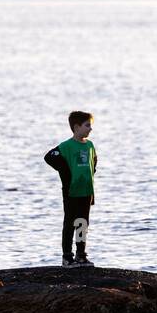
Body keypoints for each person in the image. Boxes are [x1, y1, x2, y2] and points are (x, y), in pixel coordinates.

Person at [44, 111, 97, 267]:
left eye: (90, 126)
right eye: (87, 126)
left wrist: (90, 173)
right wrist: (65, 171)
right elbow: (49, 157)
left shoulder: (90, 145)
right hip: (71, 191)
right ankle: (67, 256)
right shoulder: (66, 146)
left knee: (82, 223)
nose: (90, 129)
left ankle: (81, 254)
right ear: (76, 127)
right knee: (70, 223)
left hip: (86, 191)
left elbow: (94, 160)